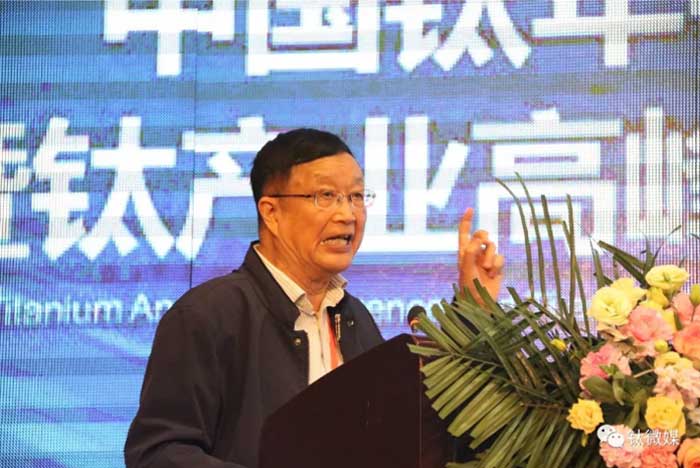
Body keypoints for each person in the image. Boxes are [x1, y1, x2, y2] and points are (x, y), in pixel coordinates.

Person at [124, 128, 504, 468]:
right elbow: (157, 453)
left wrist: (475, 313)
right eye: (326, 196)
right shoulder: (207, 316)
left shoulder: (355, 319)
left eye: (356, 196)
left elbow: (416, 437)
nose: (348, 214)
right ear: (271, 212)